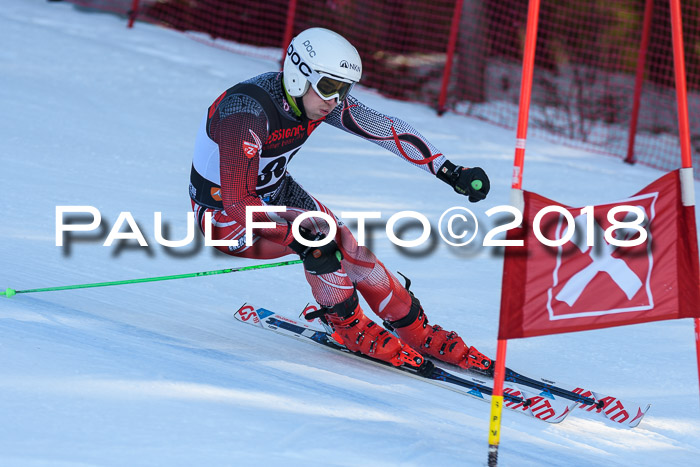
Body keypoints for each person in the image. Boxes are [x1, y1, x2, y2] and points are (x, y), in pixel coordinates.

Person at [189, 27, 492, 372]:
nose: (335, 100)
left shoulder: (315, 99)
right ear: (299, 74)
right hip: (223, 218)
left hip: (273, 192)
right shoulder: (245, 112)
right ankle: (347, 326)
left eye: (343, 89)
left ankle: (414, 328)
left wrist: (450, 171)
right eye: (329, 87)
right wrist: (296, 239)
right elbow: (238, 202)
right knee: (318, 241)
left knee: (349, 243)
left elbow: (383, 127)